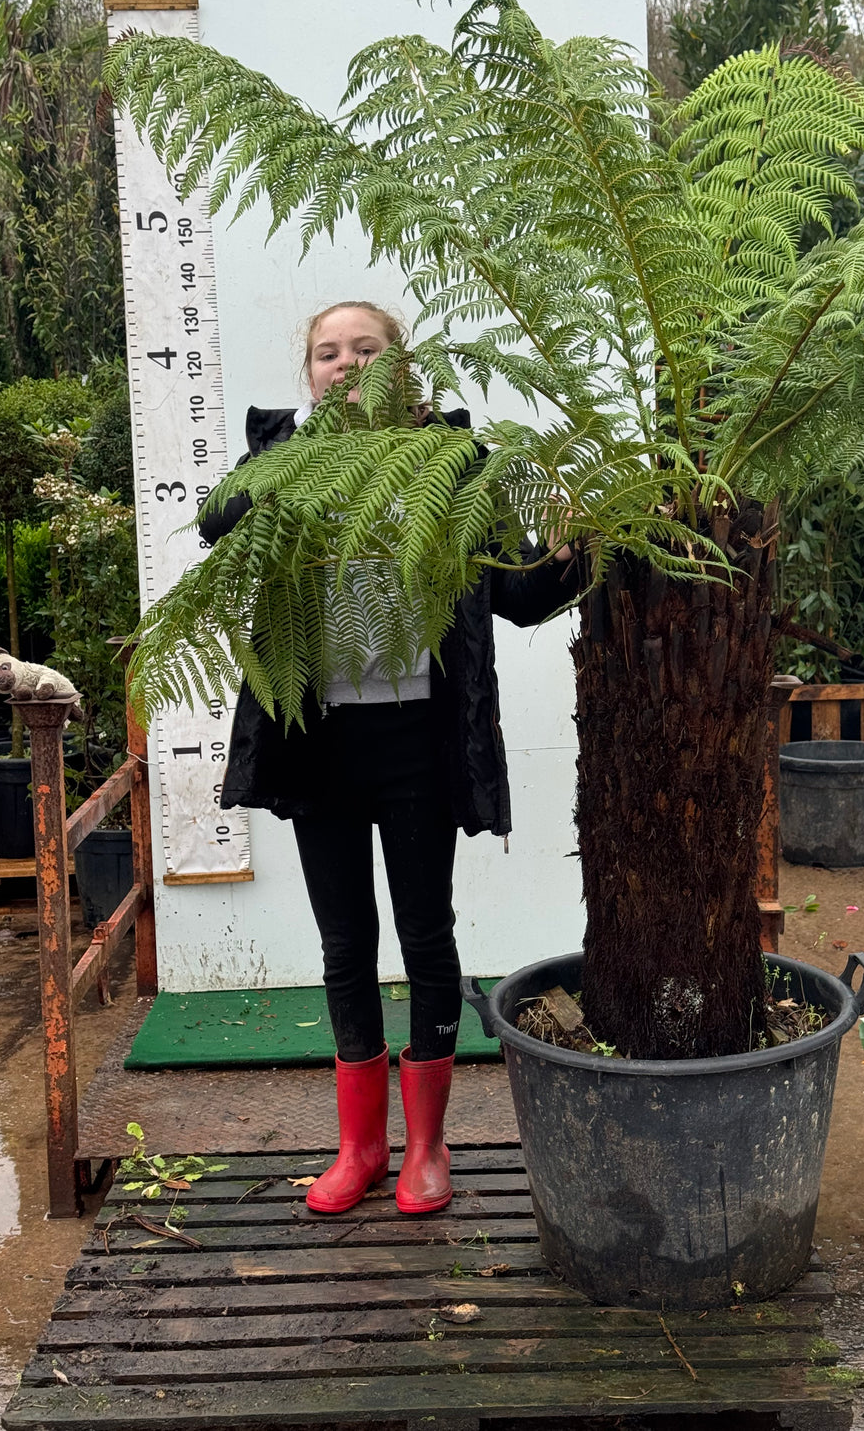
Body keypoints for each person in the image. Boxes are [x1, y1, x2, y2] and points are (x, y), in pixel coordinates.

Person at [198, 301, 578, 1216]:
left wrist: (585, 548)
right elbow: (217, 522)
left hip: (417, 739)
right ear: (309, 373)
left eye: (366, 349)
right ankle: (360, 1146)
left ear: (402, 366)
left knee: (424, 932)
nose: (346, 364)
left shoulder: (451, 462)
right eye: (327, 352)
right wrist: (299, 456)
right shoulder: (281, 456)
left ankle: (428, 1147)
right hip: (321, 740)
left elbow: (519, 593)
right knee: (345, 942)